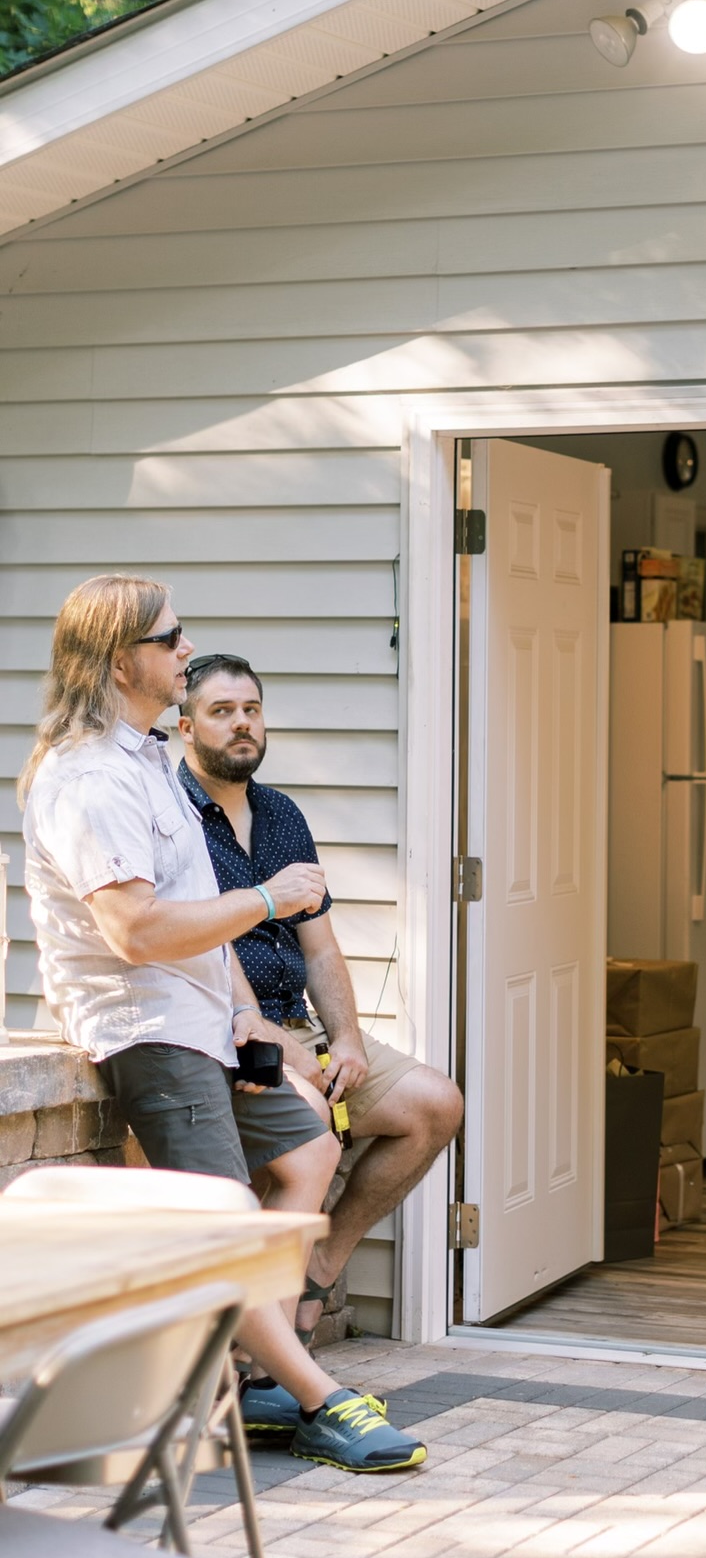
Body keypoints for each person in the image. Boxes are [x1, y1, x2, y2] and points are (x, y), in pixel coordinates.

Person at [20, 574, 426, 1474]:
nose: (184, 650)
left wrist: (247, 1017)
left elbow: (195, 907)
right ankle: (315, 1398)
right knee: (222, 1223)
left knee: (311, 1148)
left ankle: (252, 1379)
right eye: (171, 640)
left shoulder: (147, 758)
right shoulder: (87, 778)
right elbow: (137, 933)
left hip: (208, 1021)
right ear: (123, 659)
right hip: (148, 1032)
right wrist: (267, 896)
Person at [176, 652, 463, 1426]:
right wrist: (283, 1044)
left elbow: (321, 947)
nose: (242, 723)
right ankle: (256, 1361)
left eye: (252, 709)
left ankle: (320, 1270)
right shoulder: (171, 817)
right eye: (222, 710)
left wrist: (349, 1039)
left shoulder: (281, 815)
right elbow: (211, 953)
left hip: (301, 1025)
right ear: (184, 724)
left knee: (435, 1103)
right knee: (305, 1131)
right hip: (225, 1033)